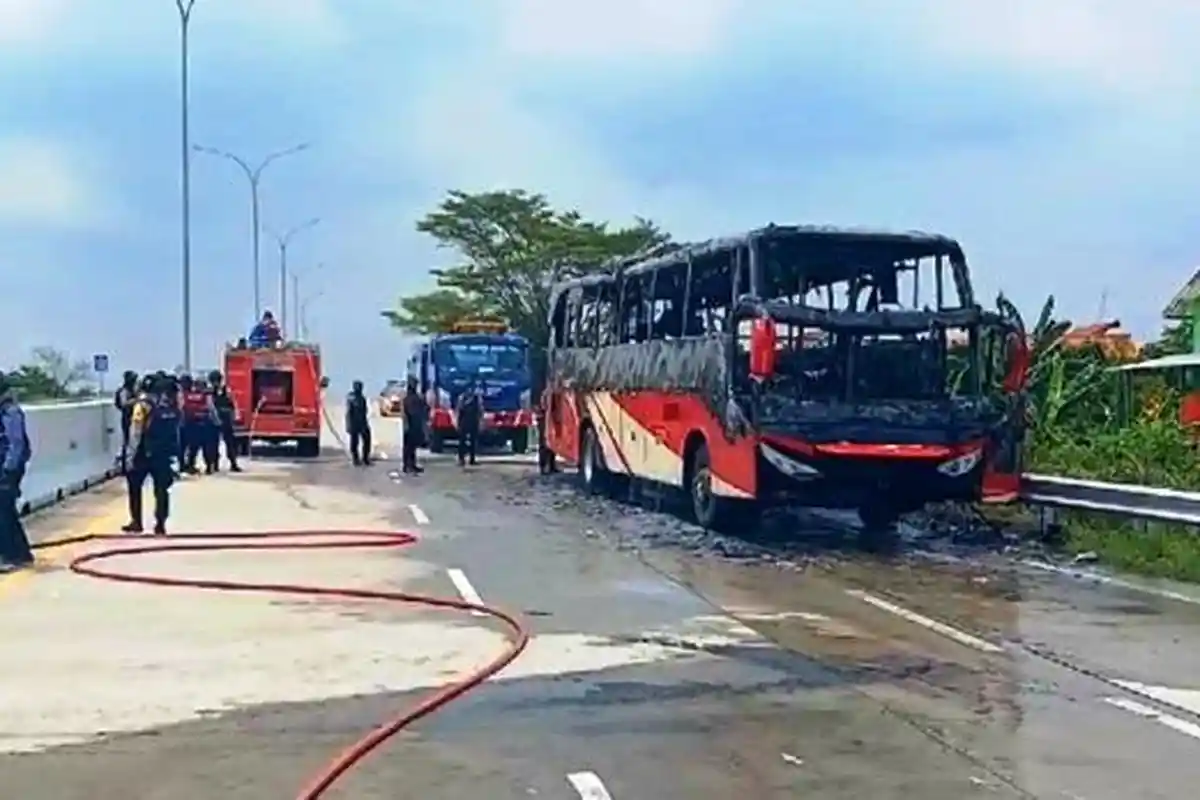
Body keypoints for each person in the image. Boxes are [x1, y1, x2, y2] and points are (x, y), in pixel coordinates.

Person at [122, 374, 179, 535]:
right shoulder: (168, 406)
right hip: (162, 454)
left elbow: (136, 432)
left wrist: (129, 456)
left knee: (135, 487)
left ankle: (136, 521)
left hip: (143, 452)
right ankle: (160, 523)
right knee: (161, 490)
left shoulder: (142, 406)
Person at [0, 371, 34, 572]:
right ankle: (21, 553)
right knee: (7, 512)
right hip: (5, 468)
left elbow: (16, 444)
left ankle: (8, 556)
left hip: (7, 469)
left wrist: (8, 472)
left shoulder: (11, 412)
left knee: (2, 513)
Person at [178, 374, 219, 474]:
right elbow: (211, 409)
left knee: (192, 447)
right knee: (206, 446)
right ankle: (209, 467)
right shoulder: (206, 396)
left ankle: (189, 465)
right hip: (204, 424)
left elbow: (181, 409)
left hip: (190, 424)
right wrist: (217, 422)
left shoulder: (185, 395)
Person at [208, 370, 241, 472]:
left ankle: (233, 463)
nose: (215, 383)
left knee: (230, 442)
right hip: (214, 419)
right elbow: (210, 405)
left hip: (226, 418)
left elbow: (233, 403)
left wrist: (235, 414)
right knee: (212, 443)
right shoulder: (209, 392)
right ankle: (214, 464)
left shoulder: (227, 390)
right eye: (214, 381)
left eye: (217, 381)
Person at [401, 378, 427, 474]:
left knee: (412, 447)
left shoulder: (414, 397)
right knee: (408, 447)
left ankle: (411, 465)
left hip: (414, 425)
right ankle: (407, 465)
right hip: (410, 425)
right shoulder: (409, 398)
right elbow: (410, 413)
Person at [113, 370, 138, 468]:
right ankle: (124, 463)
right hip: (127, 418)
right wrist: (136, 400)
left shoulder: (133, 390)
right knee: (127, 441)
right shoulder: (124, 391)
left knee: (133, 441)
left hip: (134, 417)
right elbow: (123, 404)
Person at [455, 381, 482, 466]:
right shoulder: (462, 398)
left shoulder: (476, 398)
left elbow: (480, 410)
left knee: (473, 442)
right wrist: (457, 423)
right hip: (464, 421)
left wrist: (480, 421)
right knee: (462, 441)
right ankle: (461, 459)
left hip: (473, 421)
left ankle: (472, 459)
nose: (470, 390)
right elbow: (459, 411)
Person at [345, 380, 372, 466]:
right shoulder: (352, 398)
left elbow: (365, 411)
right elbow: (349, 413)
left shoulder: (361, 398)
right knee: (354, 442)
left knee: (366, 440)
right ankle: (356, 459)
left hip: (362, 423)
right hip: (355, 423)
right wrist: (349, 425)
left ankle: (364, 458)